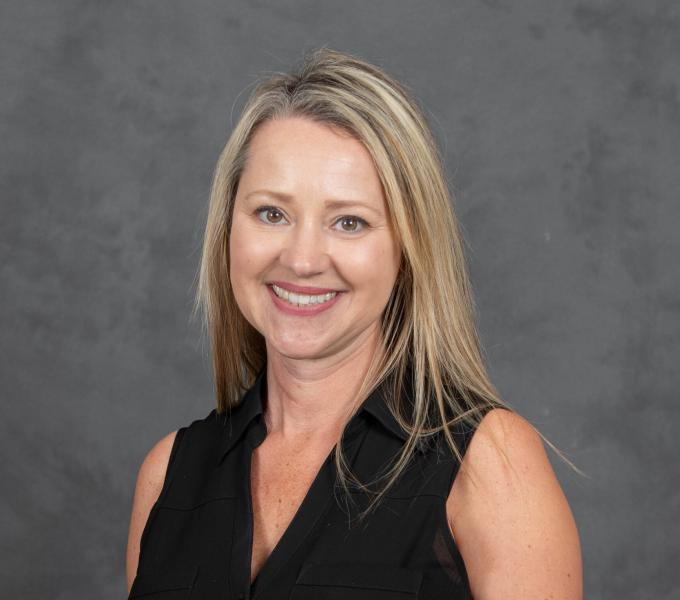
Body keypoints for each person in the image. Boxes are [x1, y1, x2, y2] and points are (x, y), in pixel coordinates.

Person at [125, 47, 582, 599]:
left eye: (349, 222)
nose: (301, 259)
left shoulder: (490, 464)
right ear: (228, 229)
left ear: (408, 250)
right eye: (272, 213)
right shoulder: (168, 475)